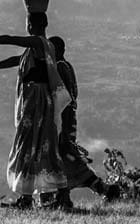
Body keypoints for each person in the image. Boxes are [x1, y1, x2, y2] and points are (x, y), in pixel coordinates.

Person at [0, 0, 73, 211]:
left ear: (35, 24)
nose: (27, 26)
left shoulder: (38, 42)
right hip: (37, 101)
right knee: (36, 146)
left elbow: (11, 40)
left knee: (30, 144)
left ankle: (38, 197)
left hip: (36, 102)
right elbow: (16, 59)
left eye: (29, 22)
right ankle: (39, 197)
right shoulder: (40, 48)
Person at [49, 36, 121, 204]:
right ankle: (65, 196)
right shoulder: (67, 66)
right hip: (69, 116)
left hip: (63, 118)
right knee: (64, 156)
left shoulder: (59, 67)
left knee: (64, 154)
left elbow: (62, 95)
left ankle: (98, 190)